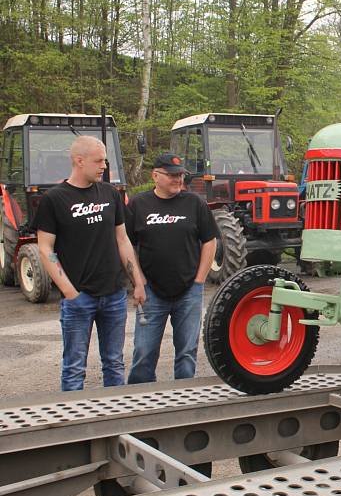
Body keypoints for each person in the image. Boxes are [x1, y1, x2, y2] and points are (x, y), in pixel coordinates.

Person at [33, 136, 146, 391]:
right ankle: (74, 427)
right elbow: (45, 248)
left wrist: (137, 281)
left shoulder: (110, 193)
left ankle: (115, 418)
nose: (104, 165)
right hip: (79, 297)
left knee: (115, 363)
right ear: (78, 160)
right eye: (98, 161)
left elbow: (122, 239)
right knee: (74, 368)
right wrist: (70, 293)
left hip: (114, 295)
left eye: (105, 160)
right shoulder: (54, 199)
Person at [126, 154, 218, 384]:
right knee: (144, 352)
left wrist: (199, 281)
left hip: (189, 291)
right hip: (151, 293)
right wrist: (138, 281)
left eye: (180, 175)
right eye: (172, 175)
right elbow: (127, 245)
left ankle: (184, 400)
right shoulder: (139, 204)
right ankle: (139, 401)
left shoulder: (194, 203)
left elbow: (210, 241)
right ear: (155, 175)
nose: (178, 179)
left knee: (187, 353)